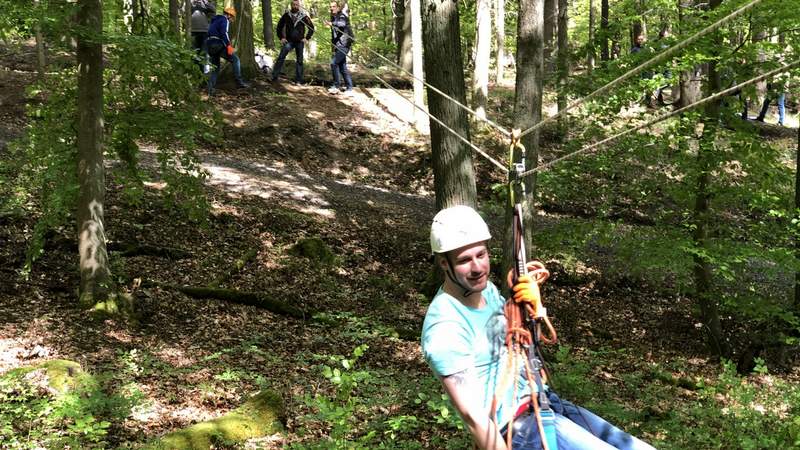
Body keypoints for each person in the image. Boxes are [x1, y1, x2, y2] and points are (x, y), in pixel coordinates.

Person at [421, 205, 656, 450]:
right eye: (464, 261)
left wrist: (534, 307)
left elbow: (515, 335)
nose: (478, 268)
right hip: (515, 427)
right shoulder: (445, 327)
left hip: (541, 401)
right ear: (444, 263)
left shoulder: (487, 291)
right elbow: (474, 418)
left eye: (481, 255)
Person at [206, 7, 249, 95]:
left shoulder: (215, 20)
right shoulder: (224, 20)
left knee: (216, 68)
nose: (232, 19)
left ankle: (210, 89)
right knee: (235, 59)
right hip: (217, 44)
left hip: (210, 45)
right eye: (232, 17)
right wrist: (228, 46)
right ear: (228, 15)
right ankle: (239, 82)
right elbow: (224, 33)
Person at [272, 0, 315, 84]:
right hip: (289, 41)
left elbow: (311, 28)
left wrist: (307, 38)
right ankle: (274, 76)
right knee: (281, 57)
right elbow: (279, 27)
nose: (295, 6)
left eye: (297, 5)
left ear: (299, 6)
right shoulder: (287, 15)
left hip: (300, 42)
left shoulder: (304, 16)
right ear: (291, 5)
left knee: (299, 61)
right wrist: (281, 38)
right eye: (293, 5)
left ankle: (298, 80)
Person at [325, 1, 354, 95]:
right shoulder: (334, 17)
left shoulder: (342, 16)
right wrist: (333, 47)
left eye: (334, 6)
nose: (332, 8)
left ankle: (336, 86)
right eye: (330, 7)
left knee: (333, 63)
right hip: (338, 45)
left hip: (344, 44)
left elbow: (342, 24)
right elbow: (335, 34)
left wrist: (331, 23)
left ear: (338, 7)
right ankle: (349, 88)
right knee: (342, 67)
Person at [190, 0, 215, 73]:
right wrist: (191, 2)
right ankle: (195, 72)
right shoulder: (191, 2)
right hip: (193, 31)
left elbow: (213, 9)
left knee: (204, 52)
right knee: (194, 53)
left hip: (205, 31)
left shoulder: (205, 3)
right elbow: (183, 11)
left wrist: (205, 2)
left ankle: (205, 73)